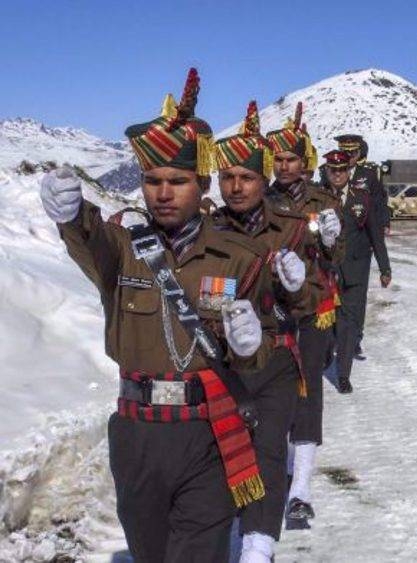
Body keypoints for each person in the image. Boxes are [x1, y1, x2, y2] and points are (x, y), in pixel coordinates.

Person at [40, 68, 270, 561]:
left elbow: (255, 354)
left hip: (208, 430)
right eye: (152, 180)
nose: (163, 192)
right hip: (138, 433)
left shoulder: (238, 258)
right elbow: (90, 236)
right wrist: (70, 214)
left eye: (178, 181)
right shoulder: (123, 249)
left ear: (201, 183)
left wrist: (252, 346)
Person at [211, 99, 336, 560]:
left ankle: (262, 540)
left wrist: (315, 266)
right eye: (228, 176)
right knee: (225, 451)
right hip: (224, 357)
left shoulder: (290, 227)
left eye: (248, 176)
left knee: (271, 442)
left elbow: (319, 281)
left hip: (281, 346)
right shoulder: (209, 228)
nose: (237, 186)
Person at [264, 102, 344, 525]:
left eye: (291, 158)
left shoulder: (323, 200)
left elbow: (340, 255)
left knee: (308, 387)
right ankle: (277, 467)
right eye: (277, 159)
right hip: (273, 308)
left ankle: (301, 487)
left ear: (305, 162)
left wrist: (331, 242)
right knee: (273, 389)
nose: (284, 166)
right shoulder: (263, 199)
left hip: (314, 308)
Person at [323, 149, 392, 394]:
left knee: (349, 324)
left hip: (356, 269)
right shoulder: (318, 198)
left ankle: (343, 375)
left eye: (342, 170)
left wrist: (385, 268)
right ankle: (328, 350)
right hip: (326, 271)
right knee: (328, 321)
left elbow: (375, 234)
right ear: (327, 171)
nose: (338, 175)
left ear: (349, 171)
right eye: (333, 170)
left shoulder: (362, 198)